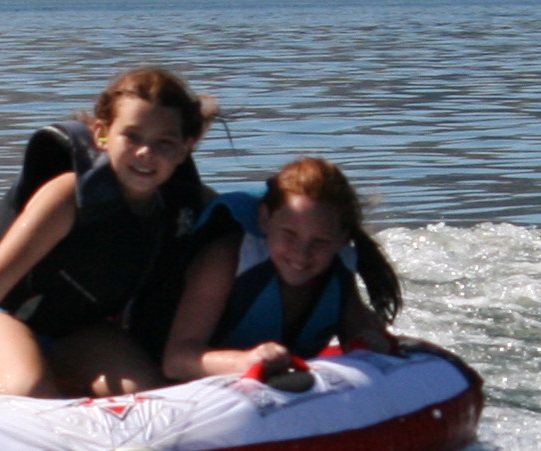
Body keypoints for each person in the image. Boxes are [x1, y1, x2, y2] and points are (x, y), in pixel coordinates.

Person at [0, 67, 214, 400]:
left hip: (75, 328)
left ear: (185, 148)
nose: (146, 152)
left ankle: (53, 380)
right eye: (132, 136)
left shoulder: (185, 206)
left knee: (143, 395)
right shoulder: (67, 197)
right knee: (27, 388)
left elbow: (252, 221)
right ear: (102, 134)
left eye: (164, 142)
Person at [160, 154, 405, 382]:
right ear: (265, 219)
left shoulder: (337, 268)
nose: (302, 254)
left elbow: (358, 329)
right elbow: (176, 361)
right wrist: (245, 361)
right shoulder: (226, 260)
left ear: (342, 239)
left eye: (319, 242)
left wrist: (370, 341)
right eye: (289, 234)